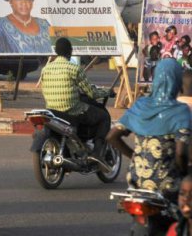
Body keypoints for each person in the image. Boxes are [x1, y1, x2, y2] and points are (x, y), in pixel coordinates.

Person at [107, 59, 191, 234]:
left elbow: (112, 136)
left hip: (137, 183)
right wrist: (184, 172)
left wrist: (135, 157)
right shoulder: (180, 111)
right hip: (166, 185)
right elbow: (181, 153)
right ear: (177, 82)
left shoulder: (140, 105)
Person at [41, 38, 112, 164]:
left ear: (56, 51)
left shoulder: (45, 70)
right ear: (70, 52)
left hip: (52, 110)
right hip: (72, 111)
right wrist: (108, 92)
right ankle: (96, 153)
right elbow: (92, 93)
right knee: (104, 117)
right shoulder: (74, 69)